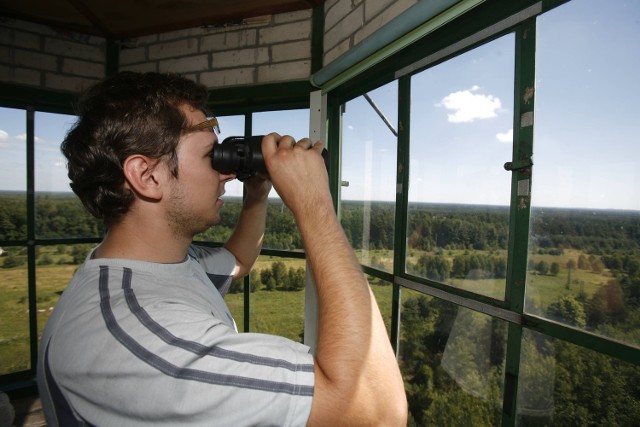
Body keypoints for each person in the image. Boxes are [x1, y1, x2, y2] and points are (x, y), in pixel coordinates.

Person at [37, 71, 407, 426]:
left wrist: (258, 191)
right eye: (211, 156)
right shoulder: (137, 338)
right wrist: (315, 205)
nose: (227, 171)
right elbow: (374, 411)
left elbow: (240, 260)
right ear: (147, 176)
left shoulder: (159, 268)